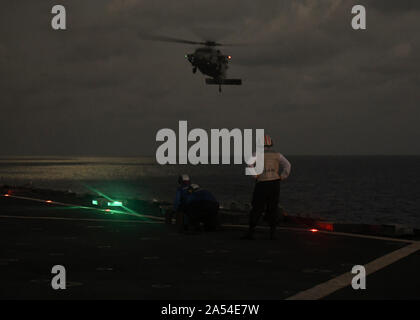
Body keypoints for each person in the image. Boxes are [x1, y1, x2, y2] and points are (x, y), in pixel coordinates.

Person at [242, 134, 291, 240]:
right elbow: (287, 165)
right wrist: (281, 177)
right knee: (273, 207)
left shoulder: (256, 154)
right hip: (274, 184)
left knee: (257, 208)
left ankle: (251, 232)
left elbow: (249, 165)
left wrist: (255, 176)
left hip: (262, 183)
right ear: (271, 144)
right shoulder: (278, 155)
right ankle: (272, 234)